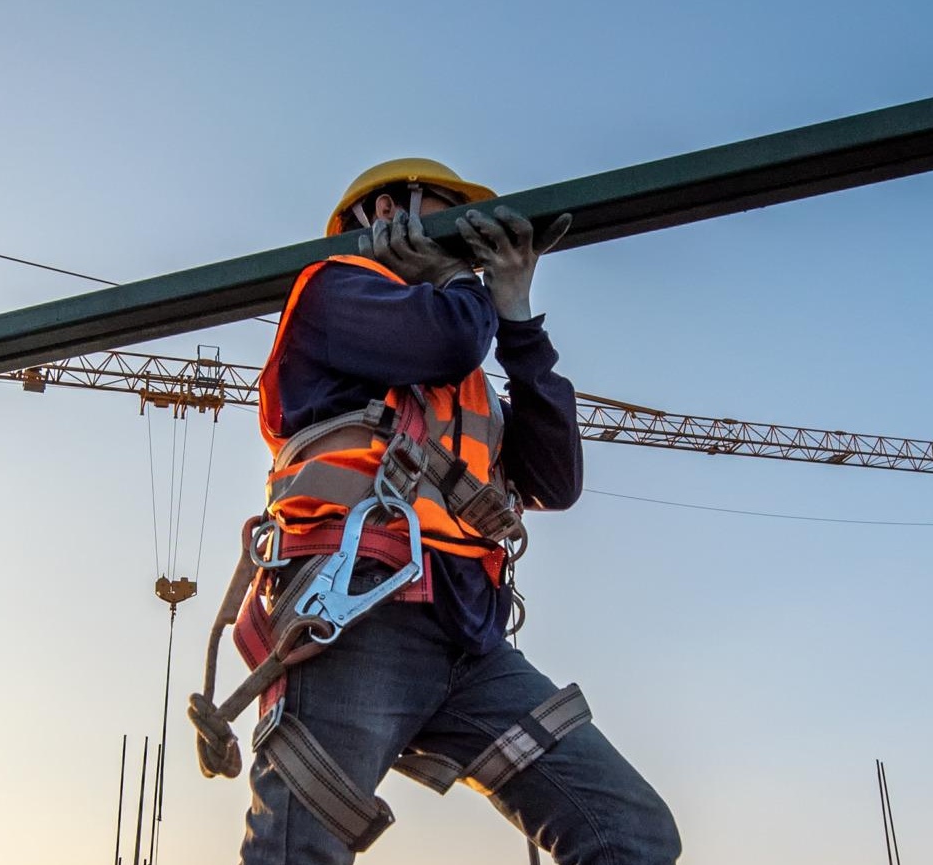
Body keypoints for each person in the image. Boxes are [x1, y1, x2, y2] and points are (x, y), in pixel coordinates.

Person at [217, 158, 681, 864]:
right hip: (357, 617)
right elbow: (451, 336)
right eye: (451, 223)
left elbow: (553, 482)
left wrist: (519, 321)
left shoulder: (464, 377)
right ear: (383, 216)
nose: (469, 247)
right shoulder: (335, 294)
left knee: (629, 833)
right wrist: (463, 283)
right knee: (298, 852)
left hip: (471, 639)